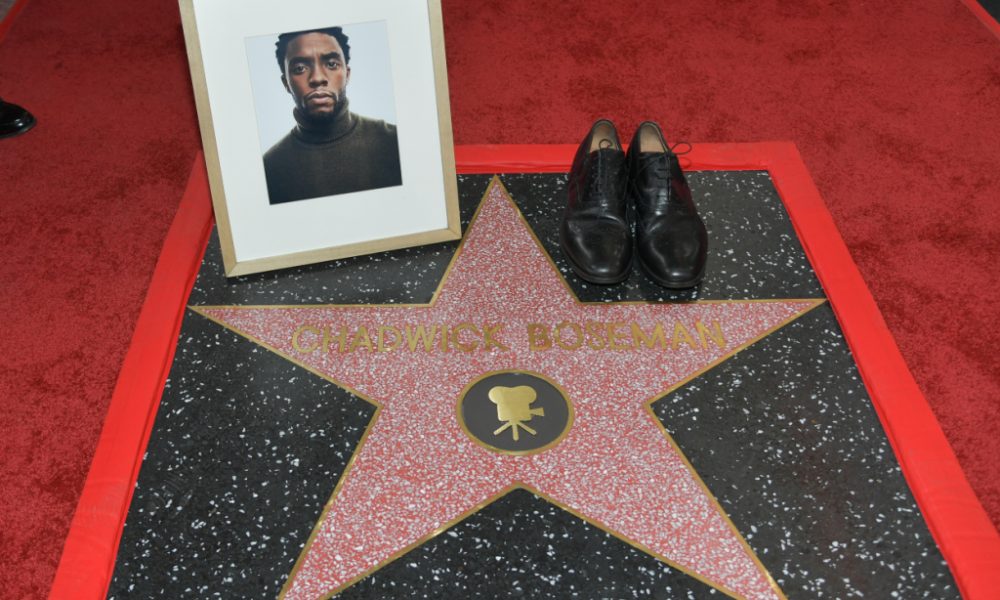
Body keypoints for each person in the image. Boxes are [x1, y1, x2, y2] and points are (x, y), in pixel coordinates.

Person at [263, 27, 402, 204]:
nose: (317, 78)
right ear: (286, 83)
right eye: (300, 68)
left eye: (331, 64)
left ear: (347, 74)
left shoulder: (395, 142)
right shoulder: (269, 169)